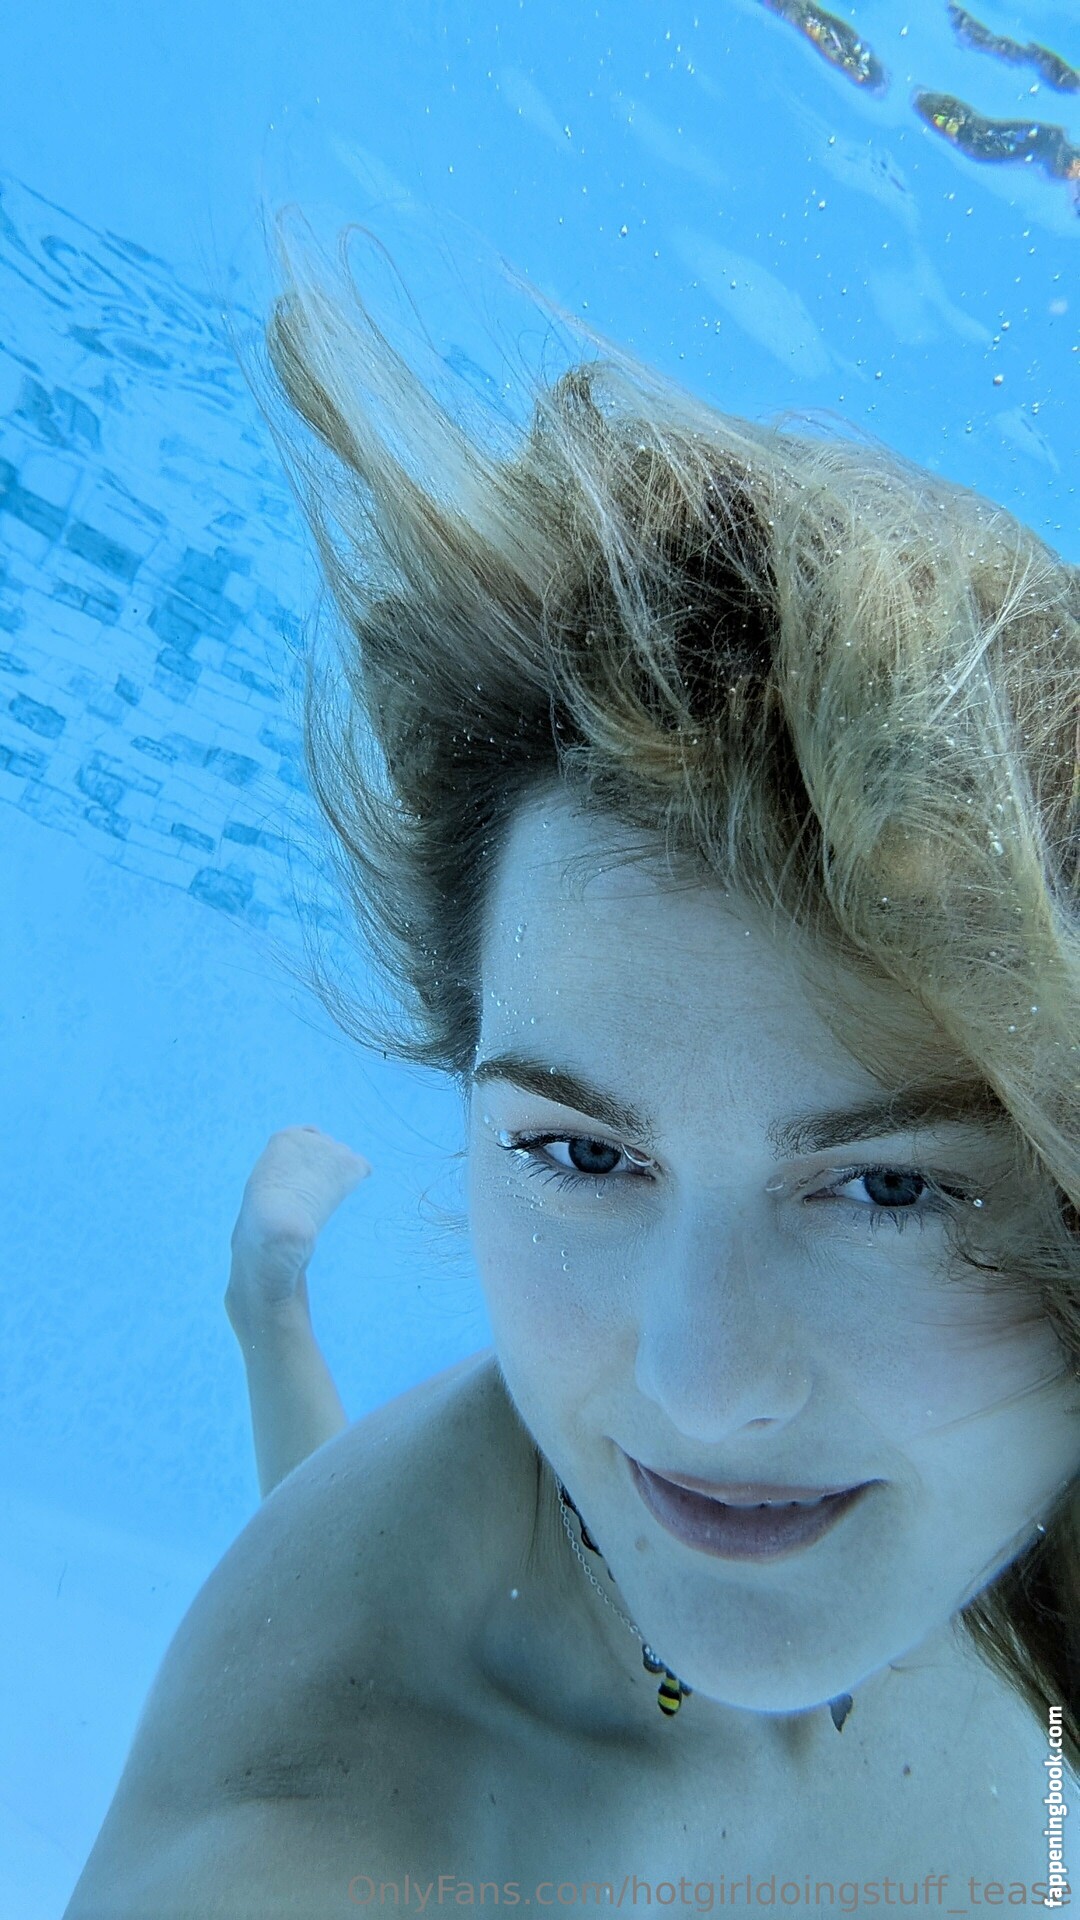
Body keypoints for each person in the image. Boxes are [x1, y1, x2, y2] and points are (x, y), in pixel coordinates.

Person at [64, 229, 1080, 1918]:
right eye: (580, 1154)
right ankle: (271, 1294)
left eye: (888, 1187)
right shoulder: (319, 1847)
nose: (703, 1386)